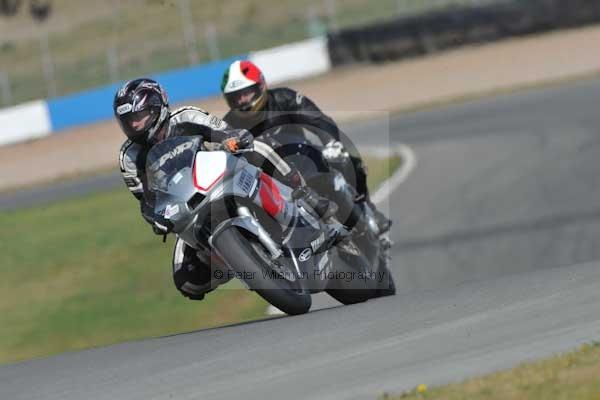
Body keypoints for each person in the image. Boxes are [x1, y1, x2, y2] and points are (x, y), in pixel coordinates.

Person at [115, 78, 335, 301]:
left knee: (257, 148)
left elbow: (223, 131)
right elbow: (146, 200)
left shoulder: (186, 116)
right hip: (186, 203)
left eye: (139, 117)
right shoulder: (129, 157)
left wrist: (231, 139)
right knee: (187, 281)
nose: (134, 126)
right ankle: (241, 264)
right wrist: (155, 218)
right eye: (128, 121)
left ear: (157, 108)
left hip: (219, 174)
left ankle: (305, 194)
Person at [220, 60, 391, 234]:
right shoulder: (228, 124)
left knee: (347, 160)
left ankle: (367, 208)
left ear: (260, 86)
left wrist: (330, 142)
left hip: (305, 157)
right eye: (235, 97)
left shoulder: (284, 98)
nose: (241, 101)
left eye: (246, 93)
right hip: (271, 179)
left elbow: (318, 120)